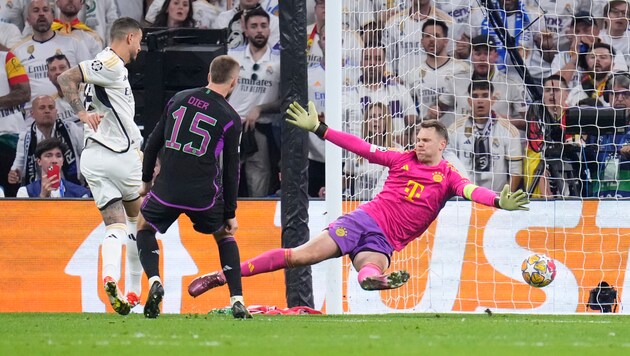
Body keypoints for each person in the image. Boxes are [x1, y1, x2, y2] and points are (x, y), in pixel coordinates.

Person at [188, 101, 529, 297]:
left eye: (425, 140)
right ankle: (220, 277)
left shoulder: (450, 176)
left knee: (371, 267)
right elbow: (360, 146)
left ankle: (373, 281)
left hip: (386, 240)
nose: (419, 143)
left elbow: (473, 192)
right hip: (363, 220)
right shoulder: (400, 158)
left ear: (442, 145)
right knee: (300, 257)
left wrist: (498, 202)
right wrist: (320, 129)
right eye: (417, 138)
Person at [136, 55, 251, 319]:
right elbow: (232, 168)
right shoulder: (231, 117)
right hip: (203, 196)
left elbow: (153, 143)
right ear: (233, 82)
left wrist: (146, 182)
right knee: (224, 235)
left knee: (144, 226)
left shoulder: (178, 99)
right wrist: (230, 212)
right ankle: (237, 299)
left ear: (209, 75)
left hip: (166, 189)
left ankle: (154, 280)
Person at [57, 17, 144, 316]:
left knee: (114, 224)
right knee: (138, 222)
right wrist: (81, 114)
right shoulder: (110, 63)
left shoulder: (104, 65)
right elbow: (66, 78)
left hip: (93, 157)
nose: (141, 48)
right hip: (118, 155)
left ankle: (110, 278)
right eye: (140, 41)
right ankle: (134, 291)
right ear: (130, 37)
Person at [447, 81, 523, 192]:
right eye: (475, 96)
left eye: (485, 95)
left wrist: (504, 199)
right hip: (464, 198)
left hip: (496, 198)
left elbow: (516, 172)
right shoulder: (454, 130)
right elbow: (449, 169)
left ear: (492, 100)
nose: (480, 100)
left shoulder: (509, 131)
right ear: (469, 101)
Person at [9, 95, 83, 187]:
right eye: (42, 108)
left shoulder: (71, 129)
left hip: (71, 187)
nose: (47, 111)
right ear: (32, 113)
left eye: (51, 107)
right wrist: (14, 174)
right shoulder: (25, 136)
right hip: (38, 190)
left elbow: (85, 155)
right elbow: (18, 166)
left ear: (56, 112)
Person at [16, 138, 91, 198]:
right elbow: (25, 217)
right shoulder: (25, 192)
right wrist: (42, 197)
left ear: (62, 161)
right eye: (48, 156)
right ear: (39, 161)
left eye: (58, 156)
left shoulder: (81, 193)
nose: (54, 161)